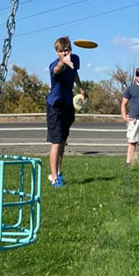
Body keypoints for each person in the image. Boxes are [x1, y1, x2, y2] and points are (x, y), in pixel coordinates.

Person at [46, 36, 87, 187]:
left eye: (67, 50)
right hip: (55, 106)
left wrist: (81, 88)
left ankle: (59, 172)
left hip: (67, 105)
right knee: (56, 142)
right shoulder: (54, 66)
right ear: (57, 52)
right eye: (61, 51)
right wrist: (63, 61)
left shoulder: (75, 59)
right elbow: (59, 69)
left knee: (63, 141)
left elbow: (74, 72)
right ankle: (54, 178)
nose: (65, 53)